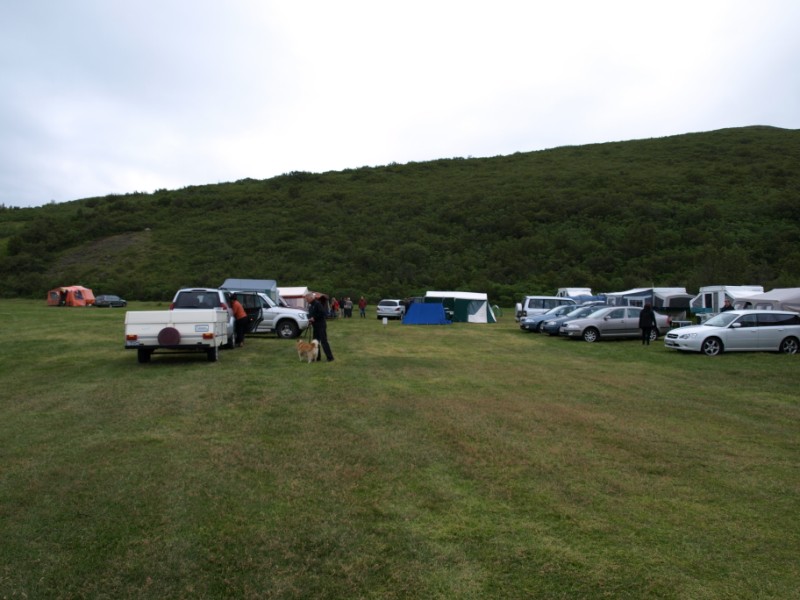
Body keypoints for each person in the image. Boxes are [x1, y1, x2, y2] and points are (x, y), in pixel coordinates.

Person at [305, 291, 334, 362]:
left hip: (321, 325)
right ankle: (317, 357)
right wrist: (310, 318)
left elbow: (322, 313)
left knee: (323, 341)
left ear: (311, 298)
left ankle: (330, 358)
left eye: (307, 299)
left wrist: (314, 318)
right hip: (315, 325)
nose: (306, 300)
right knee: (315, 341)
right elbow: (310, 314)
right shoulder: (311, 305)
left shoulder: (317, 304)